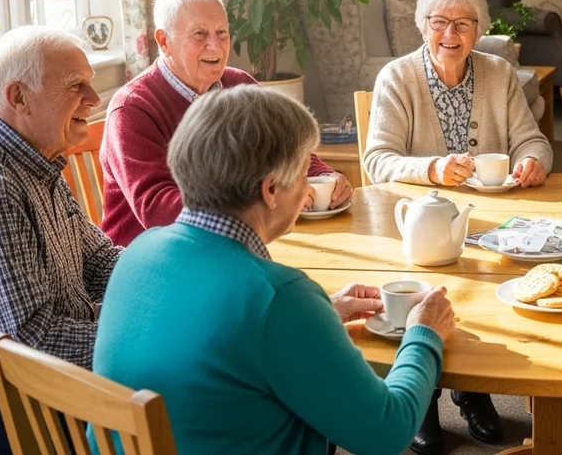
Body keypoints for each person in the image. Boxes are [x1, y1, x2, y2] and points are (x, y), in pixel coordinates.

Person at [93, 86, 456, 454]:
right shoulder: (279, 297)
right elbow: (387, 433)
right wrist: (424, 333)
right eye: (303, 175)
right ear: (270, 190)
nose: (306, 191)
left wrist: (319, 315)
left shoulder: (138, 253)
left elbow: (223, 342)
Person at [364, 0, 551, 453]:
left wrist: (533, 161)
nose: (450, 34)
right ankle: (422, 397)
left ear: (479, 28)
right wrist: (433, 169)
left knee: (487, 288)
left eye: (463, 23)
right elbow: (377, 159)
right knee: (423, 289)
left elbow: (532, 139)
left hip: (489, 220)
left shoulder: (498, 73)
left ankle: (473, 391)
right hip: (416, 223)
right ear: (421, 25)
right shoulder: (397, 77)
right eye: (439, 22)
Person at [0, 28, 121, 455]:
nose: (94, 98)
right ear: (19, 98)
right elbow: (31, 340)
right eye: (76, 86)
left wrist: (175, 284)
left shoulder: (39, 161)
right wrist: (142, 331)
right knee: (180, 407)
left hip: (27, 386)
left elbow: (101, 261)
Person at [100, 0, 351, 246]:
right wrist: (256, 205)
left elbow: (289, 150)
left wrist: (325, 178)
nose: (216, 47)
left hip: (235, 245)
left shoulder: (240, 85)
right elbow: (158, 209)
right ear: (164, 41)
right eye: (200, 34)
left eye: (222, 33)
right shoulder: (132, 107)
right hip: (157, 264)